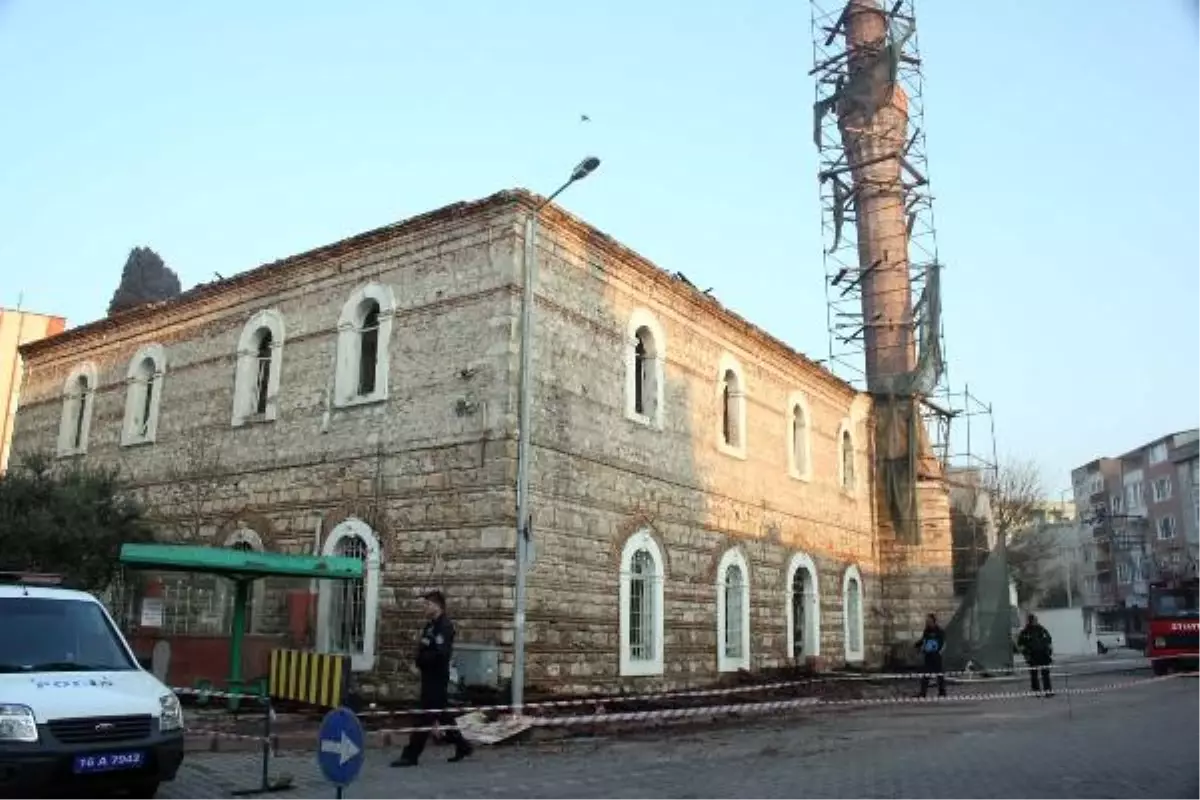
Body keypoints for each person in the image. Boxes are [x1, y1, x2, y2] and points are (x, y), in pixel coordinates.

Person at [391, 590, 474, 767]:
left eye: (428, 604)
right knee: (443, 714)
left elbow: (441, 654)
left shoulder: (444, 626)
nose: (425, 607)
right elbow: (424, 646)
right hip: (428, 677)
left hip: (437, 678)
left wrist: (423, 659)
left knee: (424, 716)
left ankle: (410, 755)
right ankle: (462, 746)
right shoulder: (430, 626)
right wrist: (420, 658)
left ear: (437, 606)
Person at [1017, 613, 1054, 697]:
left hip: (1043, 655)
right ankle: (1036, 691)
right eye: (1034, 620)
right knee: (1034, 675)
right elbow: (1020, 644)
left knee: (1045, 674)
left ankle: (1048, 691)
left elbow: (1048, 639)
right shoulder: (1025, 632)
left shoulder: (1041, 629)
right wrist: (1026, 654)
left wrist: (1049, 651)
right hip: (1032, 655)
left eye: (1036, 620)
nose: (1035, 621)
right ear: (1030, 621)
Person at [914, 613, 946, 698]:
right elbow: (924, 640)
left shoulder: (939, 631)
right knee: (925, 675)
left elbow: (943, 643)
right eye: (927, 621)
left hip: (936, 656)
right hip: (928, 655)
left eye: (929, 621)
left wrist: (939, 652)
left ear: (934, 622)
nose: (928, 623)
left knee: (939, 675)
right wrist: (918, 645)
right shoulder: (927, 631)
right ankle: (923, 693)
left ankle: (942, 692)